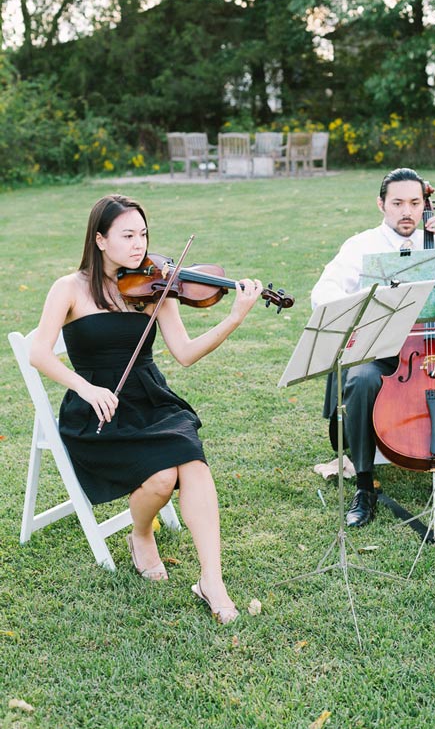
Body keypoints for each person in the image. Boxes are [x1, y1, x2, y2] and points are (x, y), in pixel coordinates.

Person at [30, 194, 263, 624]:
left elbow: (185, 353)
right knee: (160, 477)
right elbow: (39, 355)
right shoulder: (69, 288)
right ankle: (141, 534)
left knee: (191, 462)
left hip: (151, 398)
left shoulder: (156, 287)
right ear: (100, 240)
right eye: (127, 235)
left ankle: (212, 579)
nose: (139, 245)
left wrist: (234, 317)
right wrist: (86, 389)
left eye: (143, 234)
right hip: (98, 408)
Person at [311, 168, 435, 528]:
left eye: (415, 203)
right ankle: (365, 486)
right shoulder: (361, 246)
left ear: (424, 205)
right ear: (381, 204)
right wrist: (369, 303)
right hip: (384, 355)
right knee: (360, 384)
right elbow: (322, 294)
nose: (407, 211)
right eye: (398, 203)